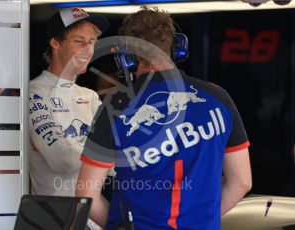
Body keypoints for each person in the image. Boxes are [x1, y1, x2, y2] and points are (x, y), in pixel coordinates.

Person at [76, 7, 252, 229]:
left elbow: (86, 192)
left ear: (127, 57)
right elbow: (242, 182)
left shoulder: (115, 107)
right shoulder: (219, 98)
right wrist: (202, 220)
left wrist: (120, 226)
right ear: (176, 48)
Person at [29, 8, 108, 199]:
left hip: (93, 217)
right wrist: (107, 156)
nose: (87, 50)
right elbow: (63, 161)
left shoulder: (90, 96)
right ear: (55, 43)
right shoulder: (33, 94)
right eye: (78, 41)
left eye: (91, 42)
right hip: (55, 217)